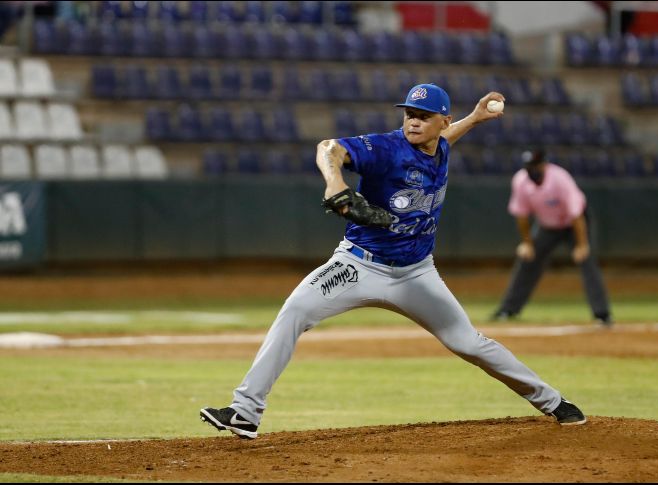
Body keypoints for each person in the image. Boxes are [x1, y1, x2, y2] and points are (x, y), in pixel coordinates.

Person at [200, 84, 587, 440]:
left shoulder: (442, 146)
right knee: (295, 310)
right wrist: (335, 182)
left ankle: (553, 402)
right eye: (408, 114)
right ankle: (245, 412)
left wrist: (475, 118)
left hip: (417, 273)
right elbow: (328, 147)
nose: (413, 121)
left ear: (442, 121)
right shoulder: (385, 148)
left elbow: (445, 141)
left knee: (469, 342)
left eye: (423, 115)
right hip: (358, 266)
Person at [490, 149, 612, 326]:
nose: (532, 169)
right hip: (547, 226)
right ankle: (508, 310)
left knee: (587, 261)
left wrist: (582, 245)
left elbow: (576, 215)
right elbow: (522, 216)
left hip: (575, 224)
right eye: (529, 166)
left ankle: (602, 314)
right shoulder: (521, 181)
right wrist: (527, 243)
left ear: (544, 164)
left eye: (536, 165)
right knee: (527, 261)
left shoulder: (560, 179)